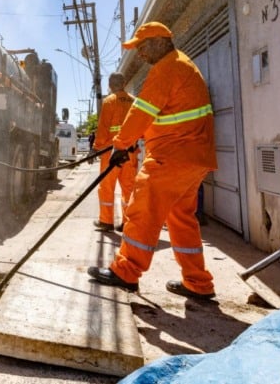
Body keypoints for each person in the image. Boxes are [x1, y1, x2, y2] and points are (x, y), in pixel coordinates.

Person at [87, 22, 218, 299]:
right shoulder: (184, 65)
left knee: (142, 208)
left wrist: (121, 145)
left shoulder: (167, 68)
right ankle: (198, 282)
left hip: (172, 156)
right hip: (194, 157)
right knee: (181, 218)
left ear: (160, 41)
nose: (141, 54)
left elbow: (143, 111)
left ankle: (126, 271)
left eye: (143, 47)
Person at [91, 72, 137, 232]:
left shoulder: (109, 101)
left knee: (106, 187)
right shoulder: (134, 101)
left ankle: (106, 221)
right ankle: (128, 223)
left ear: (110, 85)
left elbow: (103, 129)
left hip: (111, 153)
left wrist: (95, 148)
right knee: (129, 188)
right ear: (124, 83)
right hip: (130, 152)